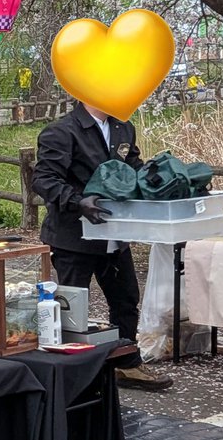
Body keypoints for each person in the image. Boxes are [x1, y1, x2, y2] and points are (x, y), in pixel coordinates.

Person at [32, 101, 173, 391]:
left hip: (114, 233)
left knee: (126, 299)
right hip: (73, 237)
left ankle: (126, 364)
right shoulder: (61, 131)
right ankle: (73, 374)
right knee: (74, 308)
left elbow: (132, 168)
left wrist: (160, 180)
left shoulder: (123, 128)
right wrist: (77, 201)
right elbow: (44, 179)